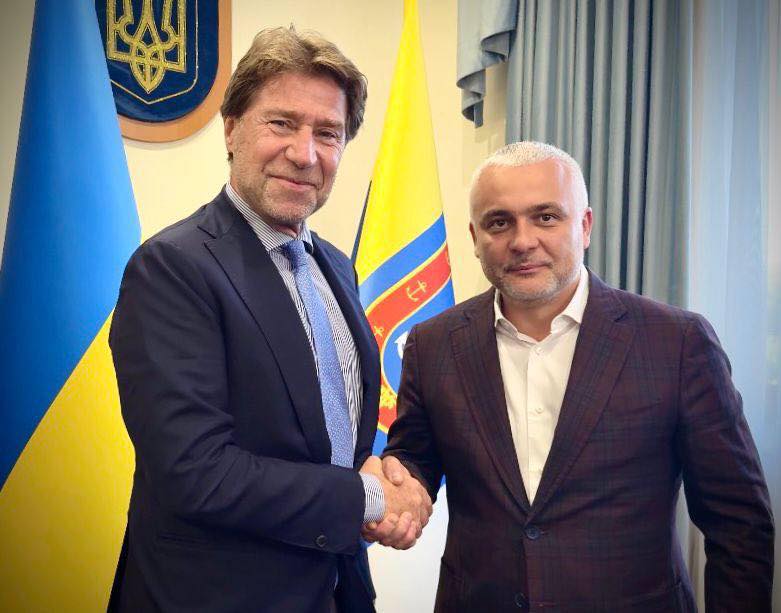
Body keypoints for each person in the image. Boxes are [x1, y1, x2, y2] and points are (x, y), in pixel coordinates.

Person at [108, 27, 430, 613]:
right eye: (282, 123)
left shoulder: (336, 266)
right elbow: (196, 472)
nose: (305, 154)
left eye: (327, 133)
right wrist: (366, 499)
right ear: (232, 129)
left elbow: (326, 438)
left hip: (337, 589)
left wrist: (380, 474)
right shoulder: (172, 267)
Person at [379, 141, 774, 611]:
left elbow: (739, 523)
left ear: (584, 226)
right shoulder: (433, 343)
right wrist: (397, 487)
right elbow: (416, 457)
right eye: (499, 222)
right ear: (475, 236)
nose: (522, 241)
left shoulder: (678, 342)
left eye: (546, 217)